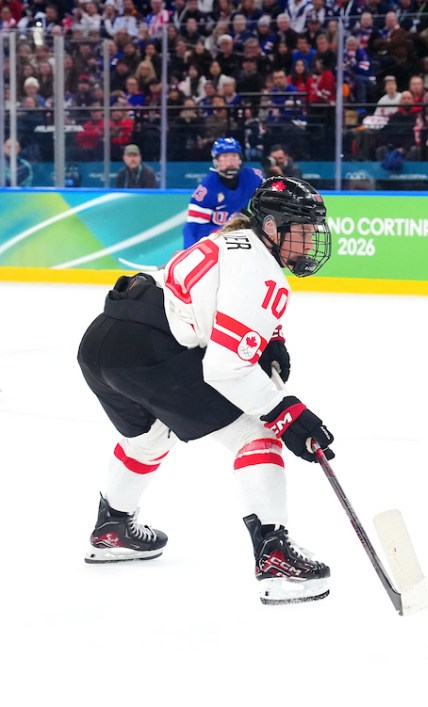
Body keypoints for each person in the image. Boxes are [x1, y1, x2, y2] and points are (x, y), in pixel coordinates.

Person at [77, 177, 336, 604]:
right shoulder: (262, 268)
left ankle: (113, 528)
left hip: (105, 341)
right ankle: (275, 558)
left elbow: (213, 299)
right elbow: (225, 366)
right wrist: (285, 412)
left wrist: (270, 337)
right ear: (272, 228)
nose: (309, 244)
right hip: (151, 350)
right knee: (257, 433)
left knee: (147, 438)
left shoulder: (231, 241)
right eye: (302, 231)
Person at [184, 137, 264, 248]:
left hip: (249, 239)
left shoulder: (254, 178)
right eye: (225, 157)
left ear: (240, 159)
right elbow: (194, 228)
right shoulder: (206, 189)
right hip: (216, 242)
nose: (230, 161)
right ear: (216, 160)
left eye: (234, 156)